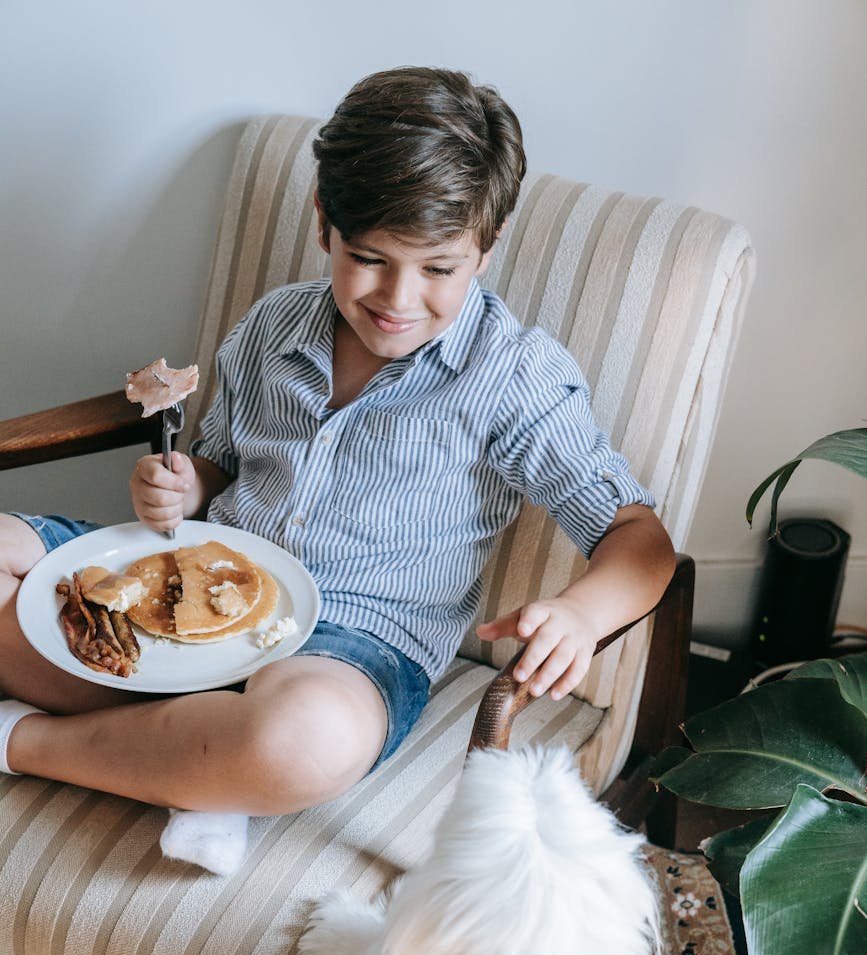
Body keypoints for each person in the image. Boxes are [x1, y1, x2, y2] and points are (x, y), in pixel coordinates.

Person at [0, 67, 674, 872]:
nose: (397, 297)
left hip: (349, 641)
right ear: (324, 222)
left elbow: (639, 537)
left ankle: (30, 740)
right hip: (199, 583)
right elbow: (221, 463)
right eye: (369, 258)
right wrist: (190, 484)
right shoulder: (273, 323)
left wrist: (580, 615)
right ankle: (193, 757)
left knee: (299, 745)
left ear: (485, 250)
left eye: (437, 269)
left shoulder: (513, 377)